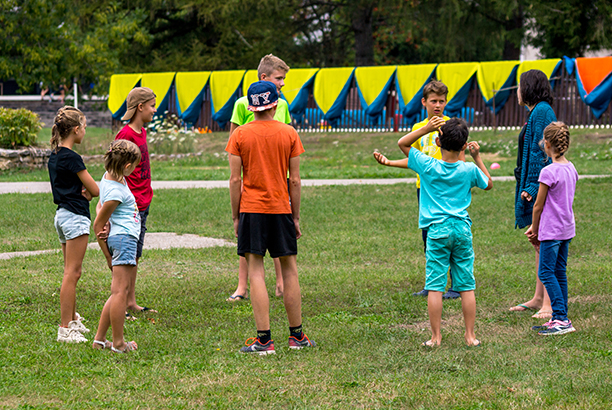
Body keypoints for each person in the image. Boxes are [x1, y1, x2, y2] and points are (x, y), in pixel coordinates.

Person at [376, 117, 492, 347]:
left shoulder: (427, 165)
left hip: (437, 231)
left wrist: (426, 128)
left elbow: (403, 144)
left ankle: (436, 337)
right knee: (466, 285)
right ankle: (470, 336)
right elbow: (488, 183)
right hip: (461, 229)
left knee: (435, 287)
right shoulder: (469, 169)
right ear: (463, 146)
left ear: (438, 142)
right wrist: (477, 157)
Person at [226, 80, 315, 354]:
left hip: (251, 209)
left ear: (250, 107)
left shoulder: (239, 134)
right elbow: (296, 181)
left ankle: (264, 340)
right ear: (276, 104)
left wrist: (236, 217)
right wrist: (296, 217)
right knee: (289, 269)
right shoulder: (289, 133)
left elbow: (234, 180)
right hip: (281, 209)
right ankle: (297, 336)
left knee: (255, 271)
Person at [373, 80, 461, 299]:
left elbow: (461, 161)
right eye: (433, 101)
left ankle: (458, 285)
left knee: (451, 237)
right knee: (428, 237)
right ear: (424, 102)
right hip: (425, 191)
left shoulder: (453, 126)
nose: (438, 105)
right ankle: (433, 284)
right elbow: (415, 161)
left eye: (441, 101)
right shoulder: (417, 130)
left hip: (447, 192)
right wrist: (390, 162)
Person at [226, 54, 292, 302]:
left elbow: (285, 139)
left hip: (277, 180)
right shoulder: (242, 104)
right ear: (264, 77)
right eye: (279, 78)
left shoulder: (282, 105)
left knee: (278, 242)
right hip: (251, 180)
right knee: (249, 244)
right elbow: (233, 140)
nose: (283, 83)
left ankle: (281, 282)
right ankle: (241, 287)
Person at [48, 106, 100, 343]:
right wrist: (88, 196)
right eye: (85, 128)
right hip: (75, 218)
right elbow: (96, 189)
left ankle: (73, 319)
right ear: (76, 129)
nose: (85, 132)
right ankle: (65, 328)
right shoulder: (73, 157)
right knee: (72, 273)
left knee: (71, 272)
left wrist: (84, 194)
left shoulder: (55, 155)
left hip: (61, 216)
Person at [509, 69, 556, 319]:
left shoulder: (542, 111)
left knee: (546, 242)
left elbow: (542, 152)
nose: (517, 91)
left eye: (519, 86)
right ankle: (539, 298)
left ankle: (549, 304)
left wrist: (532, 187)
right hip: (534, 185)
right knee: (538, 242)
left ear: (528, 87)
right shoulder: (536, 111)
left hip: (540, 187)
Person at [526, 122, 577, 335]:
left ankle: (561, 319)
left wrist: (534, 228)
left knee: (546, 272)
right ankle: (559, 317)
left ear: (546, 144)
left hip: (551, 231)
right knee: (559, 272)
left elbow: (538, 205)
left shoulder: (548, 172)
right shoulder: (571, 168)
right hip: (566, 230)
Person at [92, 140, 143, 353]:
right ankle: (119, 343)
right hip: (123, 240)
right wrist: (107, 256)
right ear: (127, 166)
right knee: (121, 292)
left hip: (123, 238)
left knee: (117, 292)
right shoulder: (114, 190)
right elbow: (97, 225)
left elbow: (99, 206)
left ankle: (100, 340)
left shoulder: (112, 177)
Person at [113, 87, 158, 318]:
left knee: (136, 254)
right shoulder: (126, 135)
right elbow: (115, 171)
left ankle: (131, 301)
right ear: (140, 107)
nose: (155, 110)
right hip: (130, 206)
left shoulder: (141, 132)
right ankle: (122, 299)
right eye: (152, 105)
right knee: (128, 255)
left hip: (143, 201)